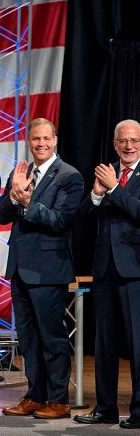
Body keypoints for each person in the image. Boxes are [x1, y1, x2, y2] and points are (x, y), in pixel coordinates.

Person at [0, 118, 84, 419]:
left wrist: (28, 200)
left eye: (46, 138)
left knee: (52, 337)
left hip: (48, 269)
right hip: (19, 268)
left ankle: (58, 400)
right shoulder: (21, 172)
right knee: (28, 337)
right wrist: (13, 195)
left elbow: (60, 220)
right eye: (35, 139)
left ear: (55, 140)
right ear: (29, 141)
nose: (41, 144)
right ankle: (36, 395)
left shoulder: (70, 176)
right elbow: (1, 215)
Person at [73, 119, 140, 429]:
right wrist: (98, 195)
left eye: (134, 141)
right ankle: (106, 408)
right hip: (104, 270)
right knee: (105, 343)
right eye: (123, 141)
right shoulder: (106, 172)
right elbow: (83, 219)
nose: (128, 146)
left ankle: (139, 410)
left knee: (137, 344)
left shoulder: (121, 178)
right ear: (115, 144)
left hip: (135, 271)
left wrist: (114, 188)